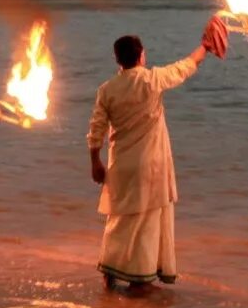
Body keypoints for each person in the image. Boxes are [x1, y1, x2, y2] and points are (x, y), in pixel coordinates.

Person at [88, 18, 228, 290]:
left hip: (120, 165)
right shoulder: (152, 80)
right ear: (142, 56)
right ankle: (139, 279)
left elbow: (96, 130)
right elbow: (186, 67)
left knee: (119, 219)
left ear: (118, 60)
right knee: (146, 223)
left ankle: (110, 272)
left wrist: (95, 162)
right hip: (150, 166)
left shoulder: (106, 90)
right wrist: (205, 47)